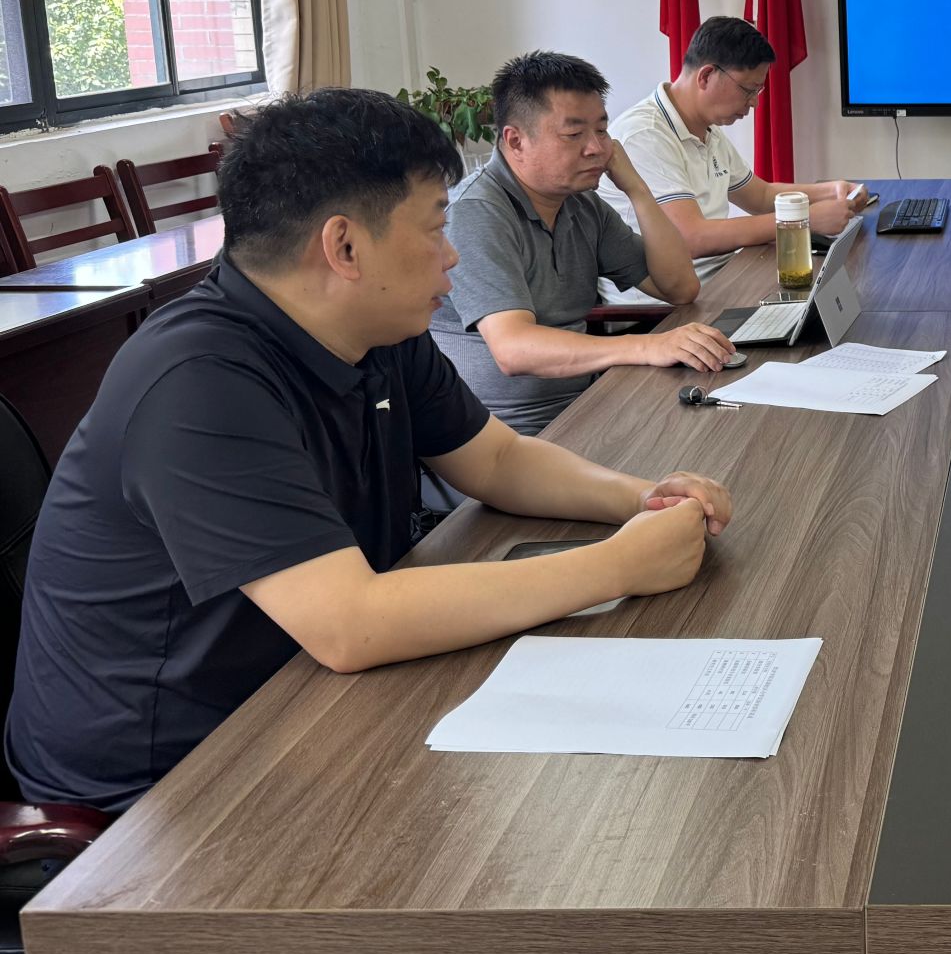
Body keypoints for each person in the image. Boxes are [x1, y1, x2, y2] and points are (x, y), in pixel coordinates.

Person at [6, 89, 732, 814]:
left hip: (304, 699)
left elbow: (496, 462)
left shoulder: (376, 328)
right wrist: (618, 566)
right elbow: (349, 624)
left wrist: (642, 498)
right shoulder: (197, 382)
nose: (452, 255)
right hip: (162, 786)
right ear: (345, 247)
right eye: (436, 228)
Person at [432, 51, 734, 438]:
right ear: (516, 140)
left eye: (602, 131)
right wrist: (646, 347)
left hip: (585, 406)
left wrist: (638, 190)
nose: (595, 148)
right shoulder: (476, 212)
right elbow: (513, 348)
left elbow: (679, 287)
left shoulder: (581, 204)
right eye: (574, 135)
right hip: (502, 436)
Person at [599, 16, 869, 282]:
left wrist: (832, 190)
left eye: (758, 92)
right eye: (748, 90)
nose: (754, 103)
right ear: (706, 76)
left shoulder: (707, 128)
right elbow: (691, 238)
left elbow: (760, 196)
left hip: (720, 276)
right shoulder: (645, 135)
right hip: (668, 300)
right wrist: (801, 219)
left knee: (841, 279)